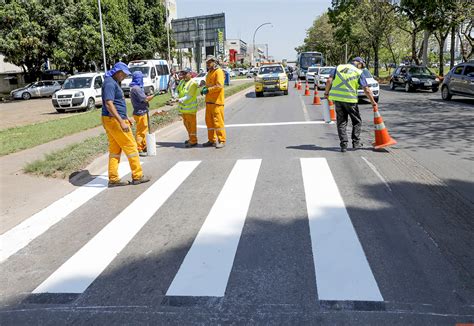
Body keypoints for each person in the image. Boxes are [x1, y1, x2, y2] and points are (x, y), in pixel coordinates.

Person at [102, 62, 150, 187]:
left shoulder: (112, 82)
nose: (124, 77)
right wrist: (121, 121)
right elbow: (109, 104)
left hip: (112, 120)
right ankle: (137, 176)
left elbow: (117, 104)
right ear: (118, 72)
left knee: (115, 150)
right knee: (132, 147)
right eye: (123, 74)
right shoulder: (109, 83)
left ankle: (113, 178)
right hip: (114, 121)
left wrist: (126, 117)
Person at [324, 57, 378, 153]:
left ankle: (343, 145)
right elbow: (366, 90)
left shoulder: (338, 67)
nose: (361, 68)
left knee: (341, 122)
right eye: (362, 66)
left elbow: (329, 81)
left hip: (338, 99)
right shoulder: (358, 72)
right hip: (350, 100)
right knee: (357, 121)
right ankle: (355, 142)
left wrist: (326, 93)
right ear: (359, 63)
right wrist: (373, 102)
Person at [201, 55, 226, 149]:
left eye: (209, 62)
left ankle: (222, 140)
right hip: (209, 102)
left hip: (217, 102)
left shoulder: (218, 71)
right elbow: (209, 85)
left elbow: (219, 86)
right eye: (206, 62)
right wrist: (204, 88)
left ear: (214, 62)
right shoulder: (209, 73)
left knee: (218, 123)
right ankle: (211, 140)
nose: (207, 64)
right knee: (209, 122)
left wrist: (208, 90)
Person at [129, 71, 154, 156]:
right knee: (141, 131)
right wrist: (152, 96)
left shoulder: (134, 88)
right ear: (138, 78)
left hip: (139, 112)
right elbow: (145, 99)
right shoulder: (137, 88)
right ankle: (139, 147)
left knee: (143, 130)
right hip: (140, 113)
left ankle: (144, 145)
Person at [177, 68, 199, 148]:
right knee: (186, 124)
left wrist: (179, 100)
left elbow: (189, 96)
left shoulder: (193, 83)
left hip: (191, 109)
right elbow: (177, 90)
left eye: (185, 74)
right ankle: (191, 138)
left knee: (192, 125)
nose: (184, 76)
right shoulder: (182, 82)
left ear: (190, 74)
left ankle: (193, 141)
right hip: (184, 109)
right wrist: (175, 96)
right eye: (183, 74)